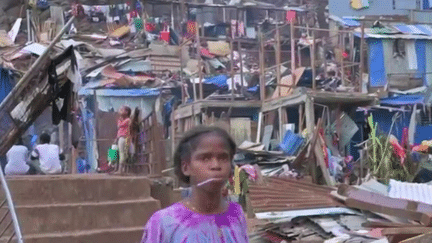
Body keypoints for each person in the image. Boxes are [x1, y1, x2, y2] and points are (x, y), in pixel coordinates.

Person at [141, 126, 249, 243]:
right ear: (186, 167)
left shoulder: (236, 214)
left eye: (223, 158)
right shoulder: (165, 222)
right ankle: (117, 166)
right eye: (205, 158)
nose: (216, 165)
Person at [115, 106, 131, 174]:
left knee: (122, 153)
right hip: (120, 137)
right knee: (118, 152)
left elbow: (120, 126)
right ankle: (117, 168)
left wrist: (120, 120)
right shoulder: (121, 120)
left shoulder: (127, 120)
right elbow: (119, 128)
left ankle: (120, 170)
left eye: (122, 110)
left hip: (124, 137)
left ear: (126, 112)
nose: (120, 111)